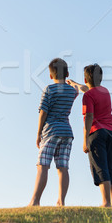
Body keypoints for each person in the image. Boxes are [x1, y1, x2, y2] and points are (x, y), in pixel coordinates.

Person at [28, 58, 78, 207]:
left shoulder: (49, 89)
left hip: (51, 131)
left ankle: (35, 201)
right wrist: (73, 83)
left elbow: (43, 113)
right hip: (67, 132)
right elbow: (76, 90)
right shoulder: (71, 91)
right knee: (63, 168)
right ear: (67, 73)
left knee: (42, 166)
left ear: (50, 76)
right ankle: (61, 202)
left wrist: (38, 134)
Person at [67, 64, 112, 208]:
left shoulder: (88, 96)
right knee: (111, 166)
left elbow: (89, 116)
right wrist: (74, 84)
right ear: (101, 78)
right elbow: (88, 88)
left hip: (96, 133)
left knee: (101, 167)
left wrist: (85, 140)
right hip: (111, 133)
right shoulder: (105, 91)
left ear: (85, 78)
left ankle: (105, 202)